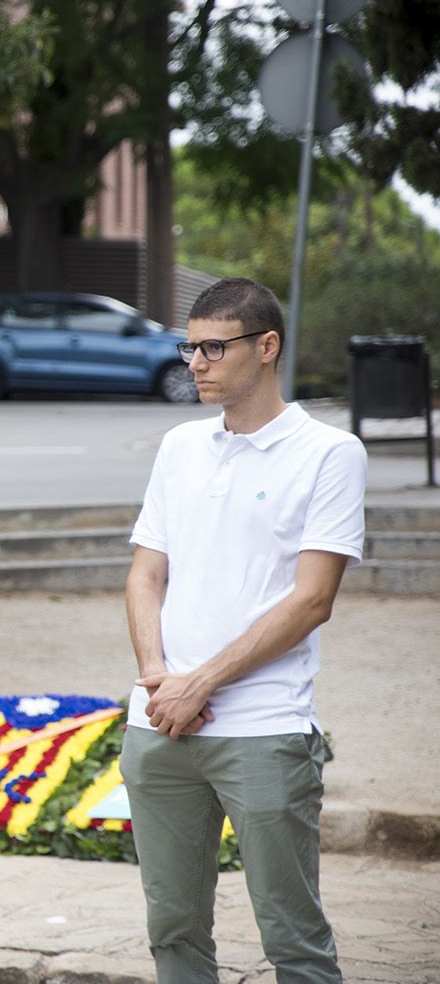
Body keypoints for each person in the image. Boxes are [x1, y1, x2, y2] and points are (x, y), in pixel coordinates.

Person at [121, 278, 366, 984]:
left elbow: (313, 599)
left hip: (263, 731)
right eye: (189, 347)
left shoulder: (329, 453)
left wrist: (202, 681)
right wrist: (160, 677)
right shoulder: (179, 446)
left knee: (292, 936)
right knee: (171, 930)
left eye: (212, 347)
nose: (194, 362)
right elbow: (145, 576)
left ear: (266, 347)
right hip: (160, 726)